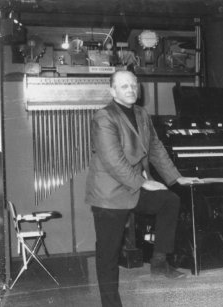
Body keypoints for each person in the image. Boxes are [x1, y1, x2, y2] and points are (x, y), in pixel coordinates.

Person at [85, 70, 201, 307]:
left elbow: (155, 147)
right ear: (113, 91)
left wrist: (175, 178)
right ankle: (111, 304)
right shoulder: (103, 117)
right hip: (109, 195)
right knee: (108, 254)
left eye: (133, 85)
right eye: (124, 86)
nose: (130, 90)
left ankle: (159, 262)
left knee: (169, 201)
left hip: (133, 188)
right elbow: (113, 160)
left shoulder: (141, 113)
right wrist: (143, 181)